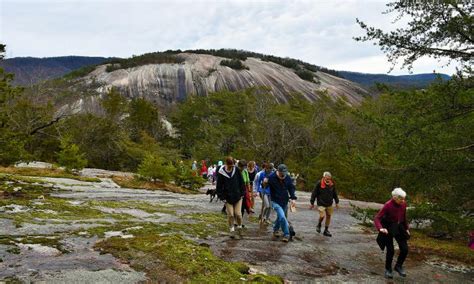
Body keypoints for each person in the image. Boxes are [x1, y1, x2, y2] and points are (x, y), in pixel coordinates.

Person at [374, 188, 410, 279]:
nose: (403, 200)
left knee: (405, 249)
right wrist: (381, 228)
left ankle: (398, 266)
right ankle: (388, 269)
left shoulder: (403, 204)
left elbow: (404, 217)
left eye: (404, 198)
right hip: (388, 227)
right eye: (401, 198)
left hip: (399, 227)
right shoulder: (388, 205)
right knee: (391, 250)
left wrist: (406, 228)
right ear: (394, 197)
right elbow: (377, 218)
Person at [264, 164, 297, 243]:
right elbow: (264, 186)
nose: (284, 174)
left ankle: (275, 230)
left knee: (280, 217)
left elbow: (291, 188)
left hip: (284, 201)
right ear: (278, 171)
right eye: (282, 172)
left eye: (285, 172)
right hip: (275, 201)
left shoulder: (287, 177)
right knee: (282, 217)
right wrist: (264, 182)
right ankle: (286, 234)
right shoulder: (272, 177)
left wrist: (293, 198)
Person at [216, 156, 245, 239]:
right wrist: (221, 197)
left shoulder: (236, 170)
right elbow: (219, 186)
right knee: (231, 215)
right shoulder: (221, 173)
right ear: (226, 164)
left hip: (238, 196)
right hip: (227, 197)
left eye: (232, 165)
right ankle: (232, 230)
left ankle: (239, 227)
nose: (231, 167)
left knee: (238, 214)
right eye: (230, 165)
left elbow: (241, 182)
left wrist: (242, 193)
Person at [310, 171, 339, 237]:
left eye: (329, 178)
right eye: (327, 178)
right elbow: (314, 193)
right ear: (324, 177)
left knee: (329, 216)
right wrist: (312, 202)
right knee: (322, 216)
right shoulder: (319, 183)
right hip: (321, 203)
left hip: (329, 203)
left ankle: (326, 230)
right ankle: (319, 224)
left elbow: (335, 193)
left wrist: (337, 202)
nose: (328, 179)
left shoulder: (332, 184)